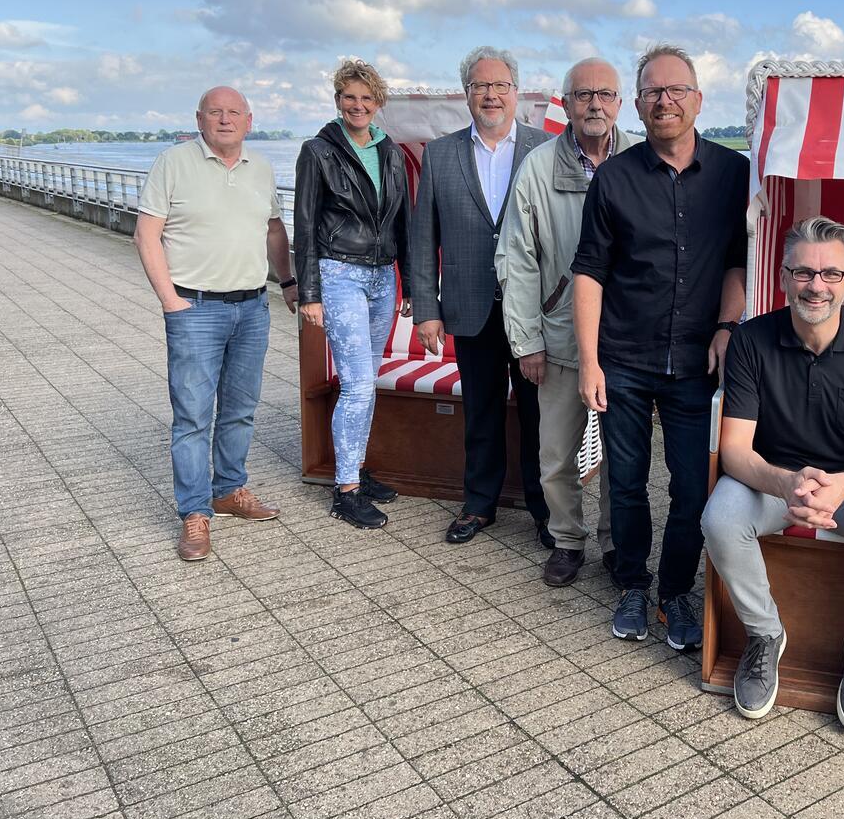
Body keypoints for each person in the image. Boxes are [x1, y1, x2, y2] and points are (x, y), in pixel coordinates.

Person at [701, 217, 844, 733]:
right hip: (772, 481)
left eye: (831, 274)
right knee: (720, 518)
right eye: (803, 272)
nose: (816, 285)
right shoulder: (751, 340)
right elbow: (735, 450)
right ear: (783, 278)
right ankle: (764, 635)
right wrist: (785, 483)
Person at [572, 43, 748, 651]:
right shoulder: (614, 178)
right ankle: (631, 584)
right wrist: (589, 361)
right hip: (622, 357)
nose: (664, 100)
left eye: (676, 90)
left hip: (697, 362)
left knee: (692, 488)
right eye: (652, 91)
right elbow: (590, 272)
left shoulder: (733, 175)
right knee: (625, 483)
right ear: (639, 104)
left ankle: (675, 591)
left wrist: (727, 326)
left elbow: (737, 260)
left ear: (698, 100)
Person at [134, 86, 297, 561]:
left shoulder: (260, 167)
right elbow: (146, 234)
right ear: (199, 119)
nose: (225, 120)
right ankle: (194, 511)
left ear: (249, 120)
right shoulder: (173, 163)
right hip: (195, 308)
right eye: (215, 112)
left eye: (234, 113)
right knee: (192, 417)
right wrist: (170, 301)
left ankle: (229, 490)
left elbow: (273, 229)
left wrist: (287, 280)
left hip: (252, 307)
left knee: (241, 409)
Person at [496, 58, 642, 587]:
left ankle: (616, 544)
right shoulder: (537, 168)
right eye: (583, 95)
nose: (595, 105)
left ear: (620, 103)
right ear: (566, 103)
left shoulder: (643, 160)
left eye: (605, 94)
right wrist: (527, 341)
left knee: (623, 457)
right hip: (558, 337)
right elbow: (516, 258)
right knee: (556, 454)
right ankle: (566, 540)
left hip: (627, 342)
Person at [410, 46, 554, 546]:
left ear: (516, 92)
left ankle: (546, 512)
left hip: (532, 311)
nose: (491, 95)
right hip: (469, 308)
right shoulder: (440, 154)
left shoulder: (545, 149)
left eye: (499, 86)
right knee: (481, 412)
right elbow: (423, 239)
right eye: (480, 86)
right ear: (466, 93)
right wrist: (426, 310)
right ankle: (479, 505)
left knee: (539, 416)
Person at [294, 59, 411, 530]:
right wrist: (310, 293)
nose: (357, 105)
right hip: (339, 272)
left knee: (367, 381)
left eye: (366, 98)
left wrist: (409, 283)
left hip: (383, 277)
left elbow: (402, 222)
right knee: (358, 384)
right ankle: (345, 492)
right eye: (349, 97)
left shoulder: (390, 151)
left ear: (377, 103)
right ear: (338, 100)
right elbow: (304, 224)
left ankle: (355, 469)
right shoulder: (317, 151)